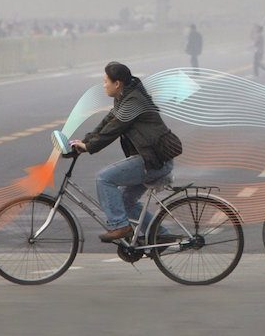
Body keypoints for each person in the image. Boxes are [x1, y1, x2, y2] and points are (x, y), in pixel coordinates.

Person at [70, 62, 182, 242]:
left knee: (104, 178)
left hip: (153, 161)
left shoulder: (134, 102)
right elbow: (107, 122)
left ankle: (120, 226)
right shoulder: (125, 97)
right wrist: (85, 141)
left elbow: (114, 128)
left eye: (106, 81)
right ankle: (160, 236)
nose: (104, 85)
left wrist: (90, 147)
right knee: (124, 202)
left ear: (117, 83)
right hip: (151, 159)